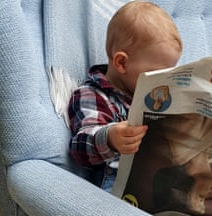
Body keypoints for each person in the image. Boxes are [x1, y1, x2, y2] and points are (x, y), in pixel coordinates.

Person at [68, 1, 182, 192]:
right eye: (157, 74)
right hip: (120, 193)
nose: (164, 83)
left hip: (160, 185)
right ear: (121, 63)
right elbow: (79, 148)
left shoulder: (155, 97)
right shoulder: (92, 95)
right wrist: (110, 138)